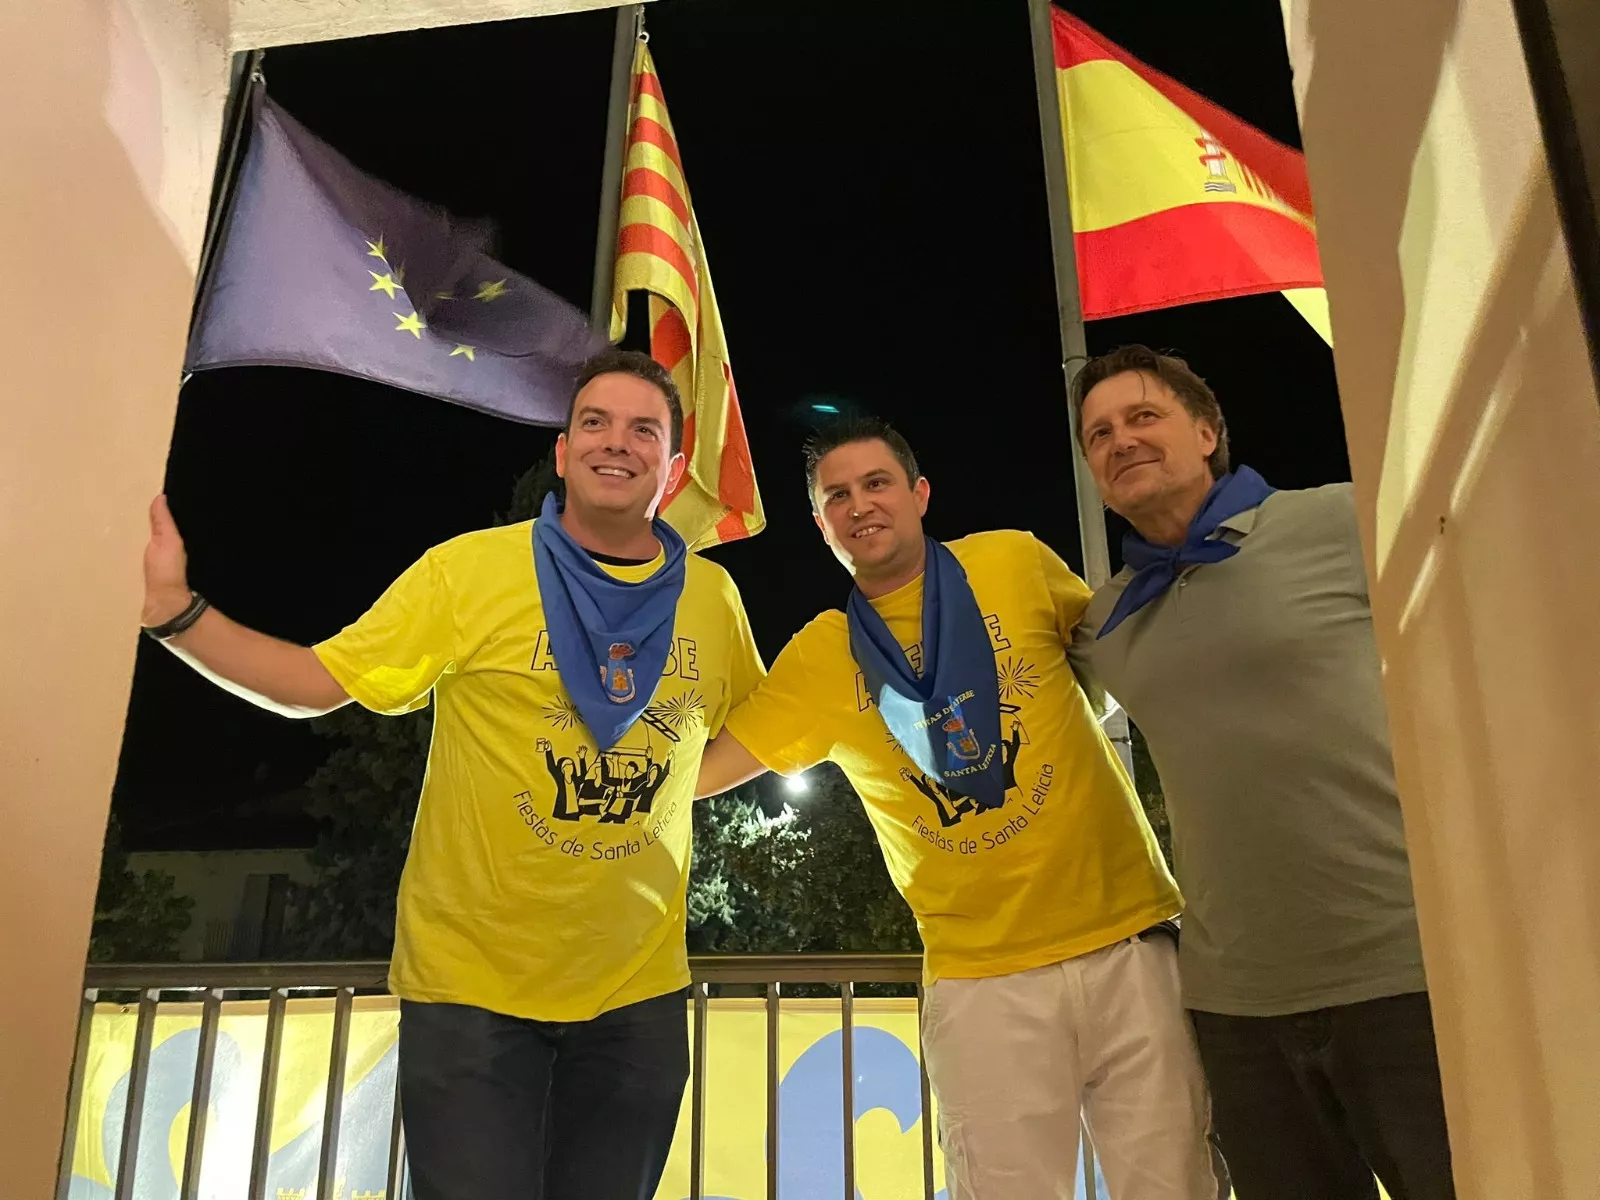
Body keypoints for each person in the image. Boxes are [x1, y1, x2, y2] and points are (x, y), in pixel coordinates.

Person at [139, 349, 764, 1200]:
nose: (616, 443)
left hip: (637, 998)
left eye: (643, 430)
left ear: (675, 466)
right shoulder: (470, 572)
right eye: (595, 423)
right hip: (474, 992)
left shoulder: (713, 600)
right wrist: (177, 613)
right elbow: (318, 685)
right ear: (562, 450)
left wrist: (662, 784)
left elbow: (755, 734)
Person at [696, 417, 1216, 1199]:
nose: (861, 505)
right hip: (983, 983)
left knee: (1177, 1185)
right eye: (837, 496)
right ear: (820, 524)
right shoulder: (821, 655)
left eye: (877, 483)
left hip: (1130, 945)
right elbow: (702, 771)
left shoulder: (1013, 562)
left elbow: (1108, 669)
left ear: (919, 493)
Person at [1068, 344, 1456, 1200]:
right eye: (1099, 434)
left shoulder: (1338, 521)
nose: (1120, 440)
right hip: (1235, 1007)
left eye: (1143, 417)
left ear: (1207, 432)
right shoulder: (1107, 622)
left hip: (1407, 973)